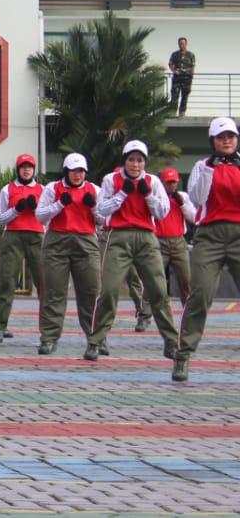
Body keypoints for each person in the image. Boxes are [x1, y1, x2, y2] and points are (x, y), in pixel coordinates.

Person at [91, 139, 178, 361]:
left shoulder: (153, 182)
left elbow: (162, 213)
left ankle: (171, 341)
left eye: (139, 160)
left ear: (144, 163)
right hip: (118, 236)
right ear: (125, 161)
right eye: (131, 159)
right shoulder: (112, 180)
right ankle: (97, 340)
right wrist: (122, 195)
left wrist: (147, 195)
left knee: (158, 291)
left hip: (147, 238)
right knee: (109, 290)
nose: (135, 164)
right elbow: (102, 209)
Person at [171, 117, 240, 382]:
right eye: (221, 137)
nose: (227, 141)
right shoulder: (202, 166)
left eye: (231, 137)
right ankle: (183, 356)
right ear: (212, 140)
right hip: (209, 236)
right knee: (199, 294)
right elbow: (197, 198)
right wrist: (212, 168)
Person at [34, 153, 103, 354]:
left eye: (81, 171)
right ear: (66, 171)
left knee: (90, 291)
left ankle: (95, 338)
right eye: (73, 171)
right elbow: (40, 215)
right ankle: (49, 337)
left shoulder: (94, 190)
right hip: (57, 241)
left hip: (86, 241)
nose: (77, 175)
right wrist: (59, 204)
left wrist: (94, 207)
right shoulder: (52, 188)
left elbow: (103, 220)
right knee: (54, 292)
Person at [0, 154, 44, 344]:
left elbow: (47, 217)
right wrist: (16, 209)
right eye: (23, 167)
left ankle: (48, 329)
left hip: (36, 236)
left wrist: (37, 208)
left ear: (34, 169)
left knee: (43, 282)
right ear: (18, 169)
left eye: (29, 167)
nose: (26, 170)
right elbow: (1, 219)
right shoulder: (8, 189)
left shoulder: (42, 189)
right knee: (6, 281)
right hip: (13, 235)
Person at [155, 167, 194, 305]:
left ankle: (189, 312)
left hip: (178, 242)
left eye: (174, 182)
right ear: (162, 183)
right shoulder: (156, 197)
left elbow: (193, 218)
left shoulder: (182, 196)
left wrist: (182, 204)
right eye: (168, 182)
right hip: (159, 242)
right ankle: (144, 315)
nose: (171, 185)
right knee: (153, 279)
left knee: (186, 280)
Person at [168, 37, 196, 117]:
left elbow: (193, 65)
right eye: (180, 43)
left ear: (186, 44)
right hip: (177, 78)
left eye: (183, 43)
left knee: (185, 96)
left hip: (187, 78)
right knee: (174, 95)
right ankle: (172, 112)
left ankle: (182, 112)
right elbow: (170, 64)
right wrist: (174, 71)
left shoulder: (191, 54)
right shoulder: (174, 54)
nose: (181, 45)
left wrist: (192, 75)